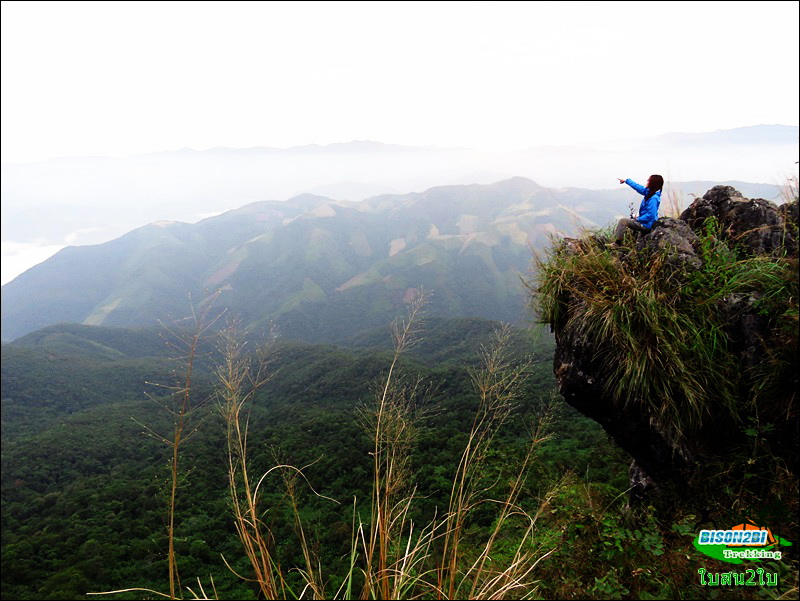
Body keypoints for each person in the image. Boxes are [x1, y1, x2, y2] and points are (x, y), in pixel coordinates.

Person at [608, 174, 663, 246]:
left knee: (623, 221)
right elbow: (639, 188)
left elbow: (651, 215)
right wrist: (626, 181)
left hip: (646, 225)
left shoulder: (653, 198)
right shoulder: (650, 193)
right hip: (646, 222)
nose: (647, 181)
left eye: (648, 180)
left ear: (653, 183)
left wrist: (638, 219)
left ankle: (617, 244)